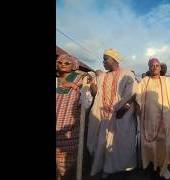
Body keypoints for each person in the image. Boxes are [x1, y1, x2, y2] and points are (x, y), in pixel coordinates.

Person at [87, 48, 137, 178]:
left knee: (120, 141)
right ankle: (104, 168)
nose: (103, 62)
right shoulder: (102, 76)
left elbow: (133, 93)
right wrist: (92, 83)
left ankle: (122, 167)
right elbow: (95, 94)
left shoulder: (127, 73)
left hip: (121, 114)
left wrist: (124, 108)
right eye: (103, 59)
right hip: (103, 114)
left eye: (105, 59)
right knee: (103, 141)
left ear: (114, 60)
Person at [56, 54, 84, 180]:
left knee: (68, 167)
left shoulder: (80, 79)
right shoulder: (56, 80)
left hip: (69, 126)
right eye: (60, 62)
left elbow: (87, 100)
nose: (62, 64)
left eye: (67, 63)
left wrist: (75, 86)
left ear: (74, 66)